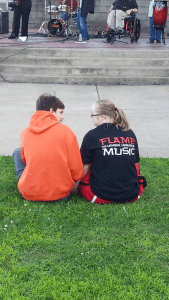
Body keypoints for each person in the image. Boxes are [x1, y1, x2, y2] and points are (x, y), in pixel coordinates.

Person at [13, 94, 84, 202]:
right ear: (51, 111)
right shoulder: (66, 131)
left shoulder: (25, 132)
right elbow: (77, 170)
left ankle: (26, 182)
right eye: (60, 112)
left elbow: (24, 159)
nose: (62, 117)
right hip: (61, 194)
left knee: (17, 151)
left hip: (29, 193)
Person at [78, 100, 147, 204]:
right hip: (132, 194)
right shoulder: (129, 132)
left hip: (99, 196)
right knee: (133, 164)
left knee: (89, 163)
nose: (92, 118)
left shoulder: (91, 136)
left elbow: (84, 167)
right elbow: (134, 162)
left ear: (103, 117)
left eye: (93, 115)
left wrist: (74, 187)